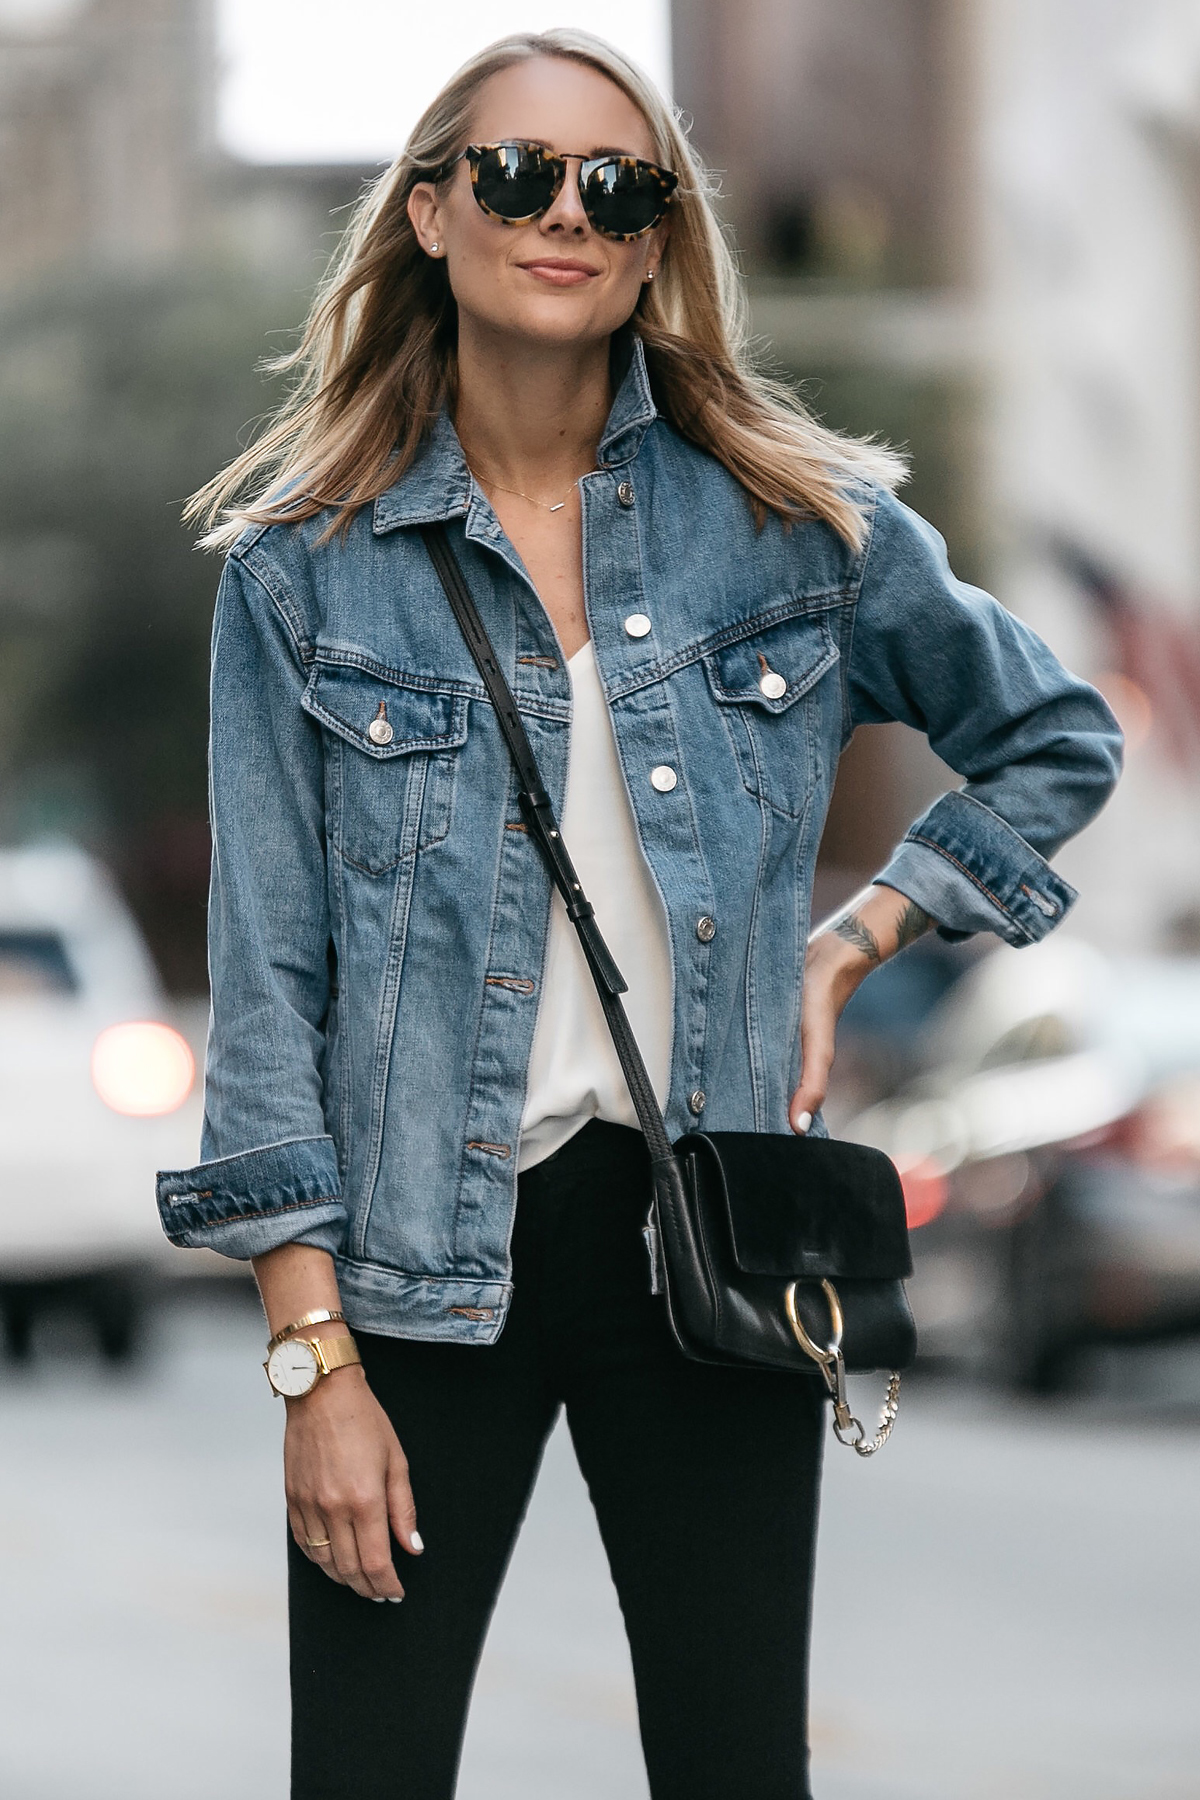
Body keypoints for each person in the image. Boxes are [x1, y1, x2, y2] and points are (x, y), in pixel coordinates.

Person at [157, 29, 1122, 1800]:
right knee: (366, 1771)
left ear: (660, 239)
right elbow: (269, 981)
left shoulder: (796, 526)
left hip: (708, 1247)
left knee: (735, 1766)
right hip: (415, 1274)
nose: (569, 214)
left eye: (622, 185)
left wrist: (869, 930)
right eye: (520, 174)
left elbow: (1056, 736)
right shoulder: (304, 570)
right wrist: (313, 1361)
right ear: (433, 213)